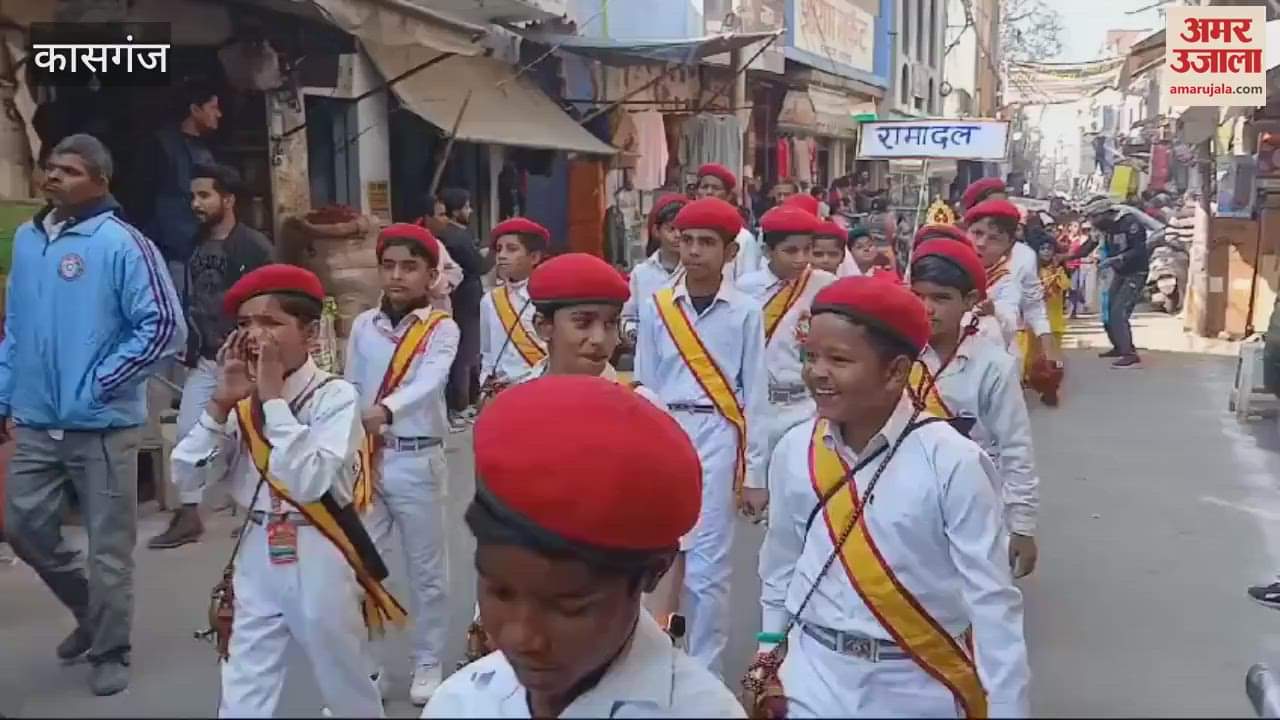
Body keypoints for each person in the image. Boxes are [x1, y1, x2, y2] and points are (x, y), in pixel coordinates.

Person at [750, 276, 1030, 718]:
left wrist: (1009, 709)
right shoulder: (793, 451)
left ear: (896, 370)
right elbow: (780, 563)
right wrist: (768, 653)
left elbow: (992, 601)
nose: (816, 372)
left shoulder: (954, 461)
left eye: (839, 359)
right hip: (814, 675)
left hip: (919, 680)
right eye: (810, 356)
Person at [423, 376, 746, 718]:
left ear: (652, 573)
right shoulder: (460, 703)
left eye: (567, 608)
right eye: (500, 593)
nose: (522, 637)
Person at [171, 264, 402, 717]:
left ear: (311, 333)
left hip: (319, 548)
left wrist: (274, 401)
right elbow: (187, 479)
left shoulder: (334, 397)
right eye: (244, 325)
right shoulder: (238, 399)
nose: (256, 336)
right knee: (244, 682)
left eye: (271, 323)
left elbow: (310, 480)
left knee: (344, 680)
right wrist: (219, 407)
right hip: (257, 549)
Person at [2, 133, 185, 696]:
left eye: (70, 170)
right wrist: (6, 395)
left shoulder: (122, 244)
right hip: (36, 420)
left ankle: (111, 648)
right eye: (50, 167)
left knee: (109, 547)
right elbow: (16, 328)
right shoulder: (30, 241)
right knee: (22, 525)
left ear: (100, 182)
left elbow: (163, 329)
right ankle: (89, 610)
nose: (54, 177)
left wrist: (100, 383)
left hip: (103, 425)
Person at [634, 197, 769, 677]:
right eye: (686, 240)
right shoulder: (656, 306)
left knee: (709, 566)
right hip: (667, 431)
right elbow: (644, 382)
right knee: (661, 553)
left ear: (730, 251)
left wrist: (754, 472)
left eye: (706, 242)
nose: (693, 251)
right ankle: (659, 660)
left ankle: (703, 670)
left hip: (718, 434)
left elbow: (754, 394)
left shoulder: (746, 312)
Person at [345, 224, 459, 706]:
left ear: (431, 275)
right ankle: (367, 666)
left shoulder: (441, 328)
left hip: (417, 459)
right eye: (389, 265)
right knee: (359, 566)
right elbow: (350, 385)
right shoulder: (362, 326)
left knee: (427, 571)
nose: (397, 275)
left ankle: (429, 659)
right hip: (369, 461)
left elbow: (430, 382)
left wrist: (385, 411)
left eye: (409, 267)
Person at [149, 163, 273, 550]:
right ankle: (189, 514)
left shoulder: (255, 247)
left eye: (204, 195)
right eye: (193, 196)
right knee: (189, 431)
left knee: (259, 436)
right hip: (205, 359)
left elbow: (273, 298)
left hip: (248, 359)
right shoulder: (194, 243)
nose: (196, 203)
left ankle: (265, 512)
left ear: (228, 199)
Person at [908, 239, 1042, 578]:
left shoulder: (993, 365)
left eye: (941, 298)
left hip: (974, 501)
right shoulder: (893, 356)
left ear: (970, 301)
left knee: (974, 596)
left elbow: (1015, 445)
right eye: (918, 296)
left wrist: (1022, 525)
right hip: (903, 500)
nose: (927, 308)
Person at [737, 206, 836, 480]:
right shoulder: (746, 288)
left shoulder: (823, 285)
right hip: (758, 407)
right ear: (768, 251)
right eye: (791, 251)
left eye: (808, 250)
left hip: (806, 405)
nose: (801, 259)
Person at [129, 78, 222, 295]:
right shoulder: (160, 146)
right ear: (195, 110)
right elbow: (140, 197)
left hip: (199, 250)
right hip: (169, 252)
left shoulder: (205, 149)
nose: (219, 114)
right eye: (214, 107)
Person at [959, 179, 1059, 373]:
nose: (982, 243)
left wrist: (1048, 343)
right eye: (977, 232)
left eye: (1004, 205)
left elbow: (1033, 305)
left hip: (1000, 355)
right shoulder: (951, 251)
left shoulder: (1023, 256)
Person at [436, 188, 490, 431]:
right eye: (466, 207)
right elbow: (478, 266)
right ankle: (459, 405)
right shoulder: (457, 237)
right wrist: (492, 254)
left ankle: (462, 402)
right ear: (456, 210)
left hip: (461, 298)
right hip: (466, 300)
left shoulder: (455, 235)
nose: (470, 211)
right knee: (465, 353)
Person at [1072, 196, 1148, 368]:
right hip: (1120, 272)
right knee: (1108, 310)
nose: (1092, 222)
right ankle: (1119, 347)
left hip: (1136, 272)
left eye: (1094, 217)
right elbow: (1088, 246)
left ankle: (1130, 355)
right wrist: (1068, 256)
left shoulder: (1129, 223)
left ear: (1105, 213)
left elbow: (1139, 249)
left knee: (1118, 311)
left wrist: (1117, 258)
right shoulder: (1103, 227)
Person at [478, 218, 549, 398]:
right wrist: (484, 382)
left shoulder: (546, 297)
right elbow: (486, 352)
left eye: (512, 249)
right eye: (499, 249)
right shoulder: (490, 300)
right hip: (500, 392)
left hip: (540, 387)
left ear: (534, 257)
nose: (501, 255)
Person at [622, 193, 686, 343]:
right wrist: (637, 336)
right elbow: (628, 318)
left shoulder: (696, 270)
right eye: (671, 229)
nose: (677, 235)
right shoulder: (641, 273)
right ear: (657, 231)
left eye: (682, 229)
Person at [695, 163, 761, 281]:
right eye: (704, 187)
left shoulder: (743, 238)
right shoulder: (685, 232)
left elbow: (748, 283)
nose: (709, 192)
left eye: (715, 188)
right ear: (696, 193)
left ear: (728, 196)